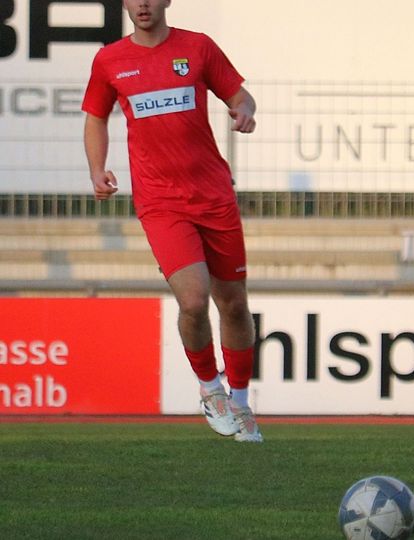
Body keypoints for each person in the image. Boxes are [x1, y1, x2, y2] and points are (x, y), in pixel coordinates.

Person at [81, 0, 262, 442]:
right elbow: (95, 118)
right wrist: (96, 169)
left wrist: (244, 110)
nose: (142, 4)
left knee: (234, 304)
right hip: (161, 202)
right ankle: (210, 389)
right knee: (194, 300)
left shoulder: (197, 47)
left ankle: (241, 403)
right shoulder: (110, 60)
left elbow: (240, 95)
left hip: (214, 195)